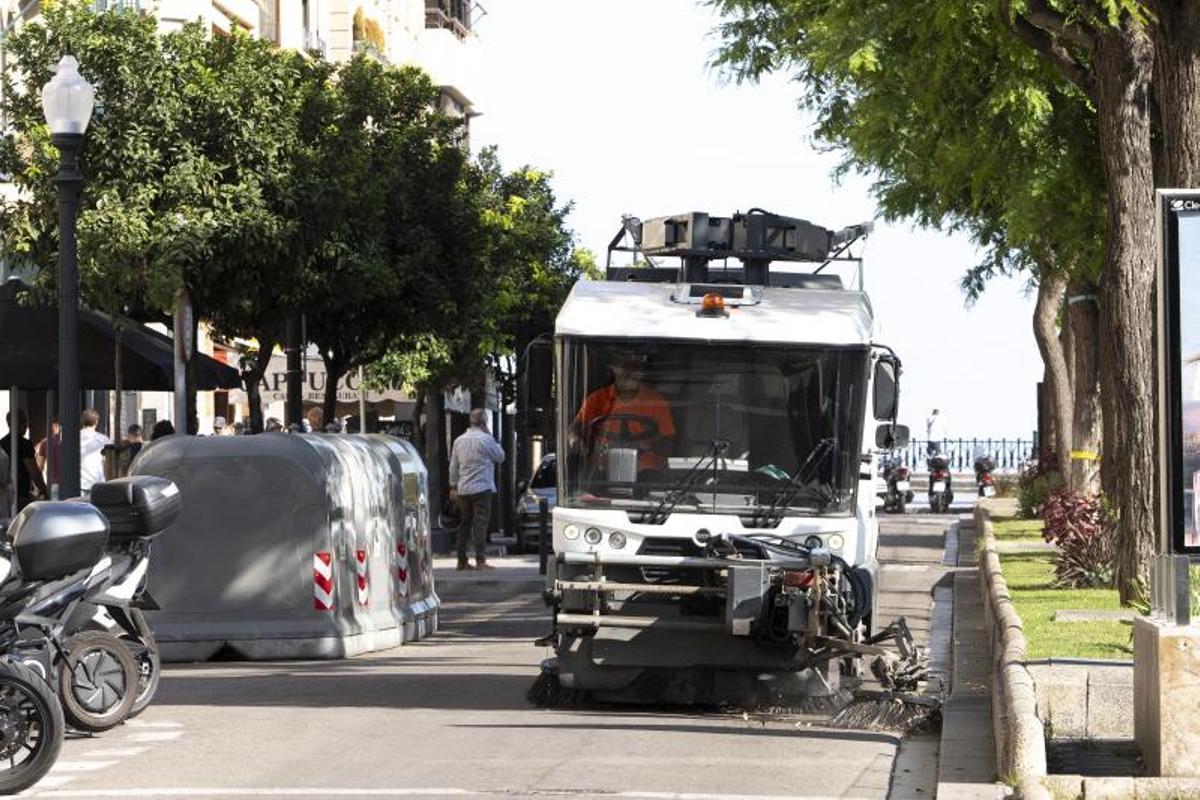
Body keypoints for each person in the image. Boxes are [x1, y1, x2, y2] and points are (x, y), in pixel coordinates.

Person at [572, 353, 676, 472]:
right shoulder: (596, 399)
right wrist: (575, 440)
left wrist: (653, 442)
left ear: (641, 373)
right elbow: (576, 428)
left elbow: (669, 446)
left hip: (649, 475)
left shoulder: (656, 401)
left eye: (633, 371)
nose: (628, 376)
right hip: (602, 474)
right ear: (615, 371)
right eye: (624, 370)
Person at [448, 408, 506, 571]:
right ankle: (480, 560)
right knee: (480, 524)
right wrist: (490, 435)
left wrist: (453, 486)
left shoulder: (459, 441)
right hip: (482, 488)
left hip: (464, 488)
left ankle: (461, 561)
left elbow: (453, 466)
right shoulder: (486, 439)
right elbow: (500, 456)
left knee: (464, 525)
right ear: (484, 422)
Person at [1, 410, 48, 511]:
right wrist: (45, 491)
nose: (27, 426)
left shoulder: (1, 444)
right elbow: (33, 471)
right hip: (20, 493)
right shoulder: (25, 444)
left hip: (5, 494)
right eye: (25, 422)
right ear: (19, 423)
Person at [79, 409, 112, 497]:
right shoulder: (104, 439)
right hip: (98, 482)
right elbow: (108, 463)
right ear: (96, 422)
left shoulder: (75, 438)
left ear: (82, 421)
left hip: (79, 483)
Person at [35, 418, 61, 496]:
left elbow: (39, 466)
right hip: (69, 483)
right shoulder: (69, 440)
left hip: (53, 482)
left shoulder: (45, 442)